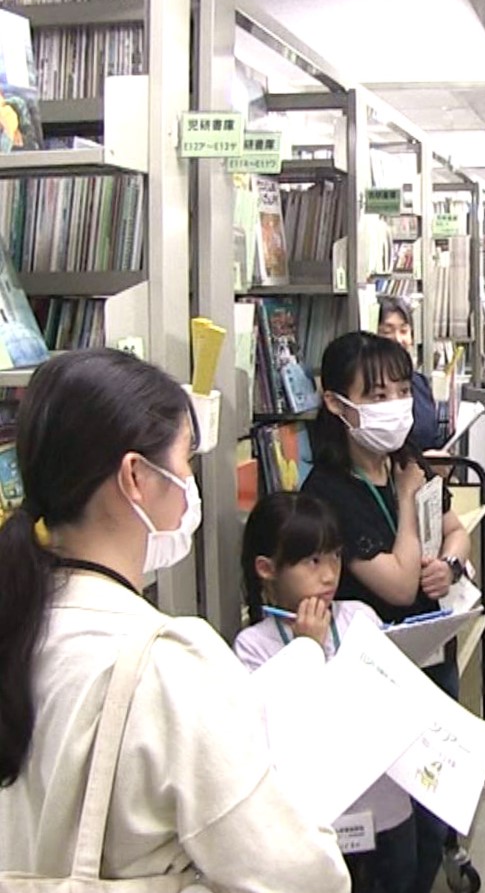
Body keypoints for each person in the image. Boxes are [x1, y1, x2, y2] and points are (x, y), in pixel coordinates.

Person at [0, 349, 348, 891]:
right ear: (136, 477)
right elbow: (300, 876)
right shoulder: (166, 662)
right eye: (186, 459)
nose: (191, 484)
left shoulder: (20, 620)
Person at [300, 330, 472, 892]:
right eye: (375, 397)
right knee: (392, 840)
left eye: (401, 390)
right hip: (374, 677)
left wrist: (449, 561)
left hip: (431, 657)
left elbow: (452, 529)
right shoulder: (327, 493)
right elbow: (397, 585)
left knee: (431, 819)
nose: (394, 406)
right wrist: (404, 500)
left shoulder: (405, 460)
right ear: (334, 402)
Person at [233, 491, 416, 893]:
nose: (330, 574)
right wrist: (307, 647)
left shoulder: (359, 617)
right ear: (267, 568)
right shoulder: (253, 645)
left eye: (334, 556)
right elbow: (273, 737)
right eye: (313, 561)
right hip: (314, 828)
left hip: (386, 812)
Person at [377, 295, 445, 451]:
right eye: (387, 331)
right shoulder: (370, 387)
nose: (397, 338)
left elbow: (431, 434)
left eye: (404, 330)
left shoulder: (420, 383)